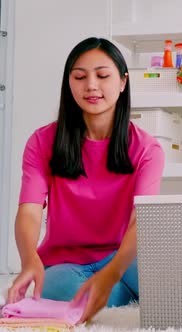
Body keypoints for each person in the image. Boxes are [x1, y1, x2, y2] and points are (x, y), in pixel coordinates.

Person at [6, 37, 165, 322]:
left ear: (122, 82)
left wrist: (113, 271)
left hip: (125, 257)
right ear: (69, 83)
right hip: (67, 262)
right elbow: (29, 208)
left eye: (102, 75)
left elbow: (140, 221)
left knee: (176, 285)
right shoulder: (42, 142)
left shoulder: (146, 148)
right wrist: (29, 258)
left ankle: (116, 287)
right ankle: (118, 292)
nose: (91, 85)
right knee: (61, 292)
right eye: (80, 77)